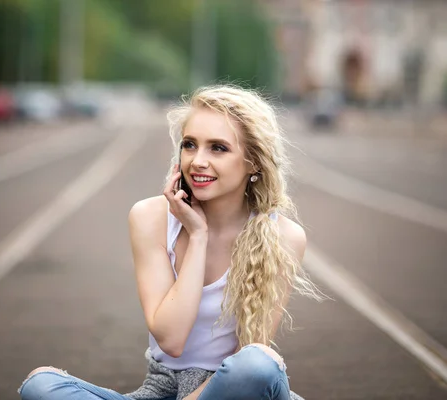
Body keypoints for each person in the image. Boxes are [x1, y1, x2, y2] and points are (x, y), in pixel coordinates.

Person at [18, 85, 324, 400]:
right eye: (190, 145)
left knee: (258, 364)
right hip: (163, 389)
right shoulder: (150, 217)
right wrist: (198, 236)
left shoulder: (283, 236)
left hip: (233, 390)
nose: (198, 161)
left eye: (218, 148)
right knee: (41, 387)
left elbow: (250, 358)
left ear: (253, 162)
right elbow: (172, 339)